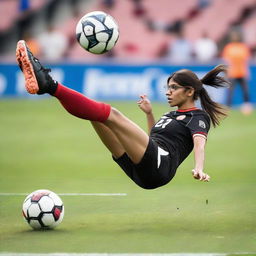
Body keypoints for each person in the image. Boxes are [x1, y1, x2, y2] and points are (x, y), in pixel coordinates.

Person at [16, 40, 229, 189]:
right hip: (144, 167)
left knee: (112, 114)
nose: (168, 92)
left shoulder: (199, 117)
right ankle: (48, 87)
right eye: (168, 87)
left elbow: (199, 144)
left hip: (159, 169)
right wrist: (149, 114)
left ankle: (49, 85)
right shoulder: (171, 115)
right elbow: (152, 140)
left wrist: (198, 168)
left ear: (190, 91)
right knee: (97, 116)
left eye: (173, 87)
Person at [222, 30, 253, 115]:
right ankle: (228, 107)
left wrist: (248, 72)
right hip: (233, 73)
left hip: (242, 72)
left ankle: (247, 106)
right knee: (230, 91)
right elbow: (226, 61)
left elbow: (246, 61)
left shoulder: (243, 47)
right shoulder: (229, 47)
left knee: (245, 90)